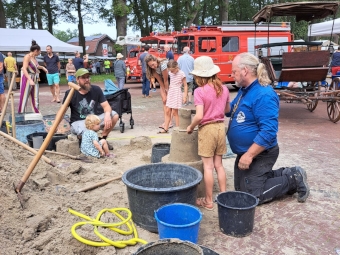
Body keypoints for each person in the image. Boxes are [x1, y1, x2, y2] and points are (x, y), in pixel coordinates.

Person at [227, 52, 310, 204]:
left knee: (252, 197)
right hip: (247, 151)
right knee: (240, 189)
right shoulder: (244, 90)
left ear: (245, 70)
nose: (231, 74)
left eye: (234, 71)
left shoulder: (264, 94)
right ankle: (285, 174)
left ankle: (293, 178)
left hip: (262, 152)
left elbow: (269, 131)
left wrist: (249, 155)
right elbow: (229, 111)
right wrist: (220, 97)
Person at [186, 56, 230, 210]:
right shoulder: (224, 89)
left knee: (208, 167)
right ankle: (224, 197)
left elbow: (199, 116)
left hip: (208, 129)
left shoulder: (199, 91)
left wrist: (191, 127)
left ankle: (209, 201)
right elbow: (227, 110)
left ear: (199, 76)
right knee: (219, 165)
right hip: (220, 128)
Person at [63, 68, 119, 150]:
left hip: (93, 119)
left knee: (114, 115)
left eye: (88, 77)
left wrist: (107, 115)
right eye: (83, 78)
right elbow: (62, 111)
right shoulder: (70, 93)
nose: (87, 80)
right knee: (87, 131)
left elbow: (106, 106)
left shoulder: (96, 89)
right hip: (78, 122)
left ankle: (102, 139)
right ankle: (88, 142)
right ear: (77, 79)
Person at [18, 40, 48, 113]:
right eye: (39, 51)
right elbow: (24, 69)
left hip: (35, 78)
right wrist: (29, 80)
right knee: (24, 95)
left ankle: (36, 111)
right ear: (35, 51)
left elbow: (37, 66)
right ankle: (21, 112)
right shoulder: (27, 57)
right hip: (27, 77)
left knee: (35, 96)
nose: (40, 53)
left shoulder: (34, 58)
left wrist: (43, 68)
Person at [158, 60, 188, 134]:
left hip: (177, 92)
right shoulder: (170, 73)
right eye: (170, 70)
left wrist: (185, 96)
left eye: (173, 70)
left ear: (176, 67)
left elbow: (185, 85)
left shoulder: (181, 73)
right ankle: (166, 128)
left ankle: (178, 128)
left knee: (175, 112)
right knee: (168, 111)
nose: (171, 72)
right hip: (171, 91)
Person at [145, 54, 170, 129]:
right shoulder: (152, 69)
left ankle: (169, 122)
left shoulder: (163, 65)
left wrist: (167, 91)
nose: (153, 67)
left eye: (153, 64)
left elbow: (166, 80)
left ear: (155, 60)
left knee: (169, 102)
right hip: (163, 82)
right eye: (150, 66)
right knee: (164, 101)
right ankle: (166, 121)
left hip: (170, 81)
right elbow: (160, 81)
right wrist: (163, 92)